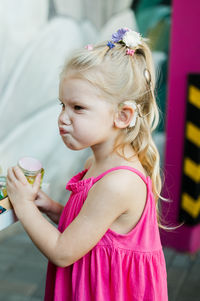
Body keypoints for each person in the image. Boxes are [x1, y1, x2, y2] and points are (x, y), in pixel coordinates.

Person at [6, 28, 168, 301]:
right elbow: (92, 227)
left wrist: (23, 205)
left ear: (122, 115)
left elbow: (62, 252)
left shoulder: (118, 182)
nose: (63, 118)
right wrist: (48, 206)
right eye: (62, 105)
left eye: (77, 108)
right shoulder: (97, 161)